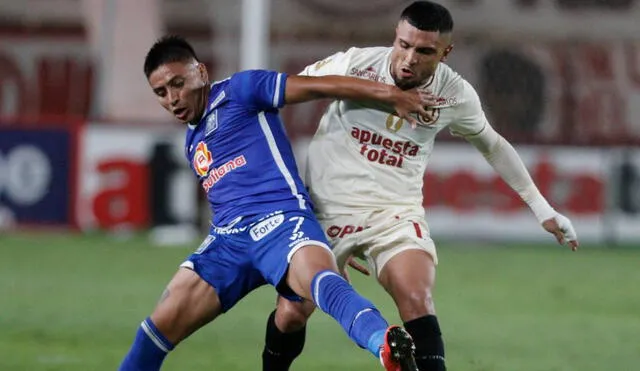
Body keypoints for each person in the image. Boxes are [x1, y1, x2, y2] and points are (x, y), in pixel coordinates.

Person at [261, 2, 580, 371]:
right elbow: (281, 94)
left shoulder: (455, 95)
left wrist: (544, 210)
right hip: (326, 211)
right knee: (292, 313)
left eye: (424, 51)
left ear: (446, 52)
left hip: (394, 214)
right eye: (403, 44)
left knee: (416, 297)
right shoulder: (356, 65)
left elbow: (493, 144)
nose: (409, 59)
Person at [117, 35, 438, 371]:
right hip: (227, 240)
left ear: (201, 71)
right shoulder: (192, 139)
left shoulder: (241, 90)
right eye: (161, 92)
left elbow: (319, 87)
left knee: (319, 282)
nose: (172, 98)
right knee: (154, 332)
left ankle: (384, 343)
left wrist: (391, 95)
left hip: (280, 223)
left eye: (178, 83)